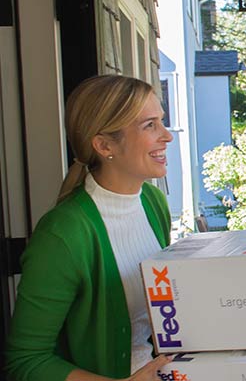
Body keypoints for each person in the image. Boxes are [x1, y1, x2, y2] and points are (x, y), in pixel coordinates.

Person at [5, 75, 175, 381]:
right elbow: (25, 361)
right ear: (104, 144)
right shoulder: (64, 235)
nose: (167, 136)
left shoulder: (153, 203)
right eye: (150, 125)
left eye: (162, 121)